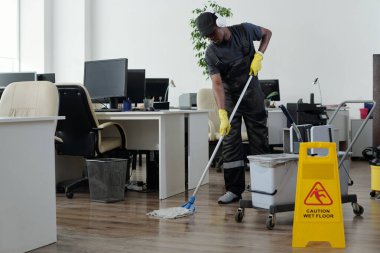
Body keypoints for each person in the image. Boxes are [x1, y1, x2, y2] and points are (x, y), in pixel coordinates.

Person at [195, 12, 272, 204]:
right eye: (207, 36)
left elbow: (267, 33)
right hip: (230, 97)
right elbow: (217, 84)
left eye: (212, 33)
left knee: (259, 139)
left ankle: (262, 187)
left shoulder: (245, 30)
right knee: (230, 143)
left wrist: (260, 54)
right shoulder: (211, 53)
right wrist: (222, 114)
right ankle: (234, 190)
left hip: (252, 93)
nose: (211, 38)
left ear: (220, 23)